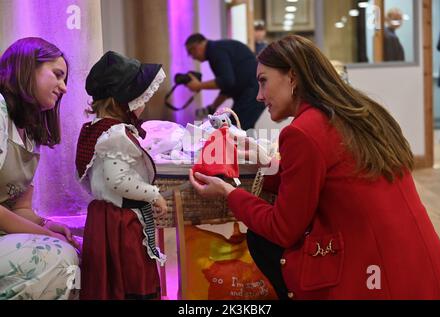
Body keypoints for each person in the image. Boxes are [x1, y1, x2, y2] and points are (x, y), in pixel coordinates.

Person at [189, 35, 440, 299]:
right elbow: (335, 176)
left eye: (263, 81)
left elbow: (282, 228)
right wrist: (267, 164)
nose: (258, 95)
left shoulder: (302, 132)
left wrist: (229, 192)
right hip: (422, 265)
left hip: (374, 276)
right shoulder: (362, 110)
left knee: (262, 239)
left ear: (292, 77)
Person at [76, 51, 168, 300]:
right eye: (142, 98)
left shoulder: (97, 130)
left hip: (107, 217)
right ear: (122, 101)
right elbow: (118, 181)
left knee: (111, 281)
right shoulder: (115, 135)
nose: (145, 103)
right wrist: (154, 194)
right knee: (130, 278)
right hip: (119, 222)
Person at [0, 37, 80, 300]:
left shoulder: (29, 131)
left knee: (75, 250)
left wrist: (47, 224)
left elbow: (19, 208)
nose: (64, 88)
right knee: (62, 258)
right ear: (26, 67)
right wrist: (45, 235)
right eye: (57, 75)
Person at [185, 33, 265, 130]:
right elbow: (227, 87)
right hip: (252, 92)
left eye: (191, 51)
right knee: (237, 129)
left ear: (198, 45)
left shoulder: (215, 51)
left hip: (252, 93)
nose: (192, 57)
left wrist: (199, 86)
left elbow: (226, 81)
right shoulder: (217, 49)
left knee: (235, 130)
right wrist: (212, 107)